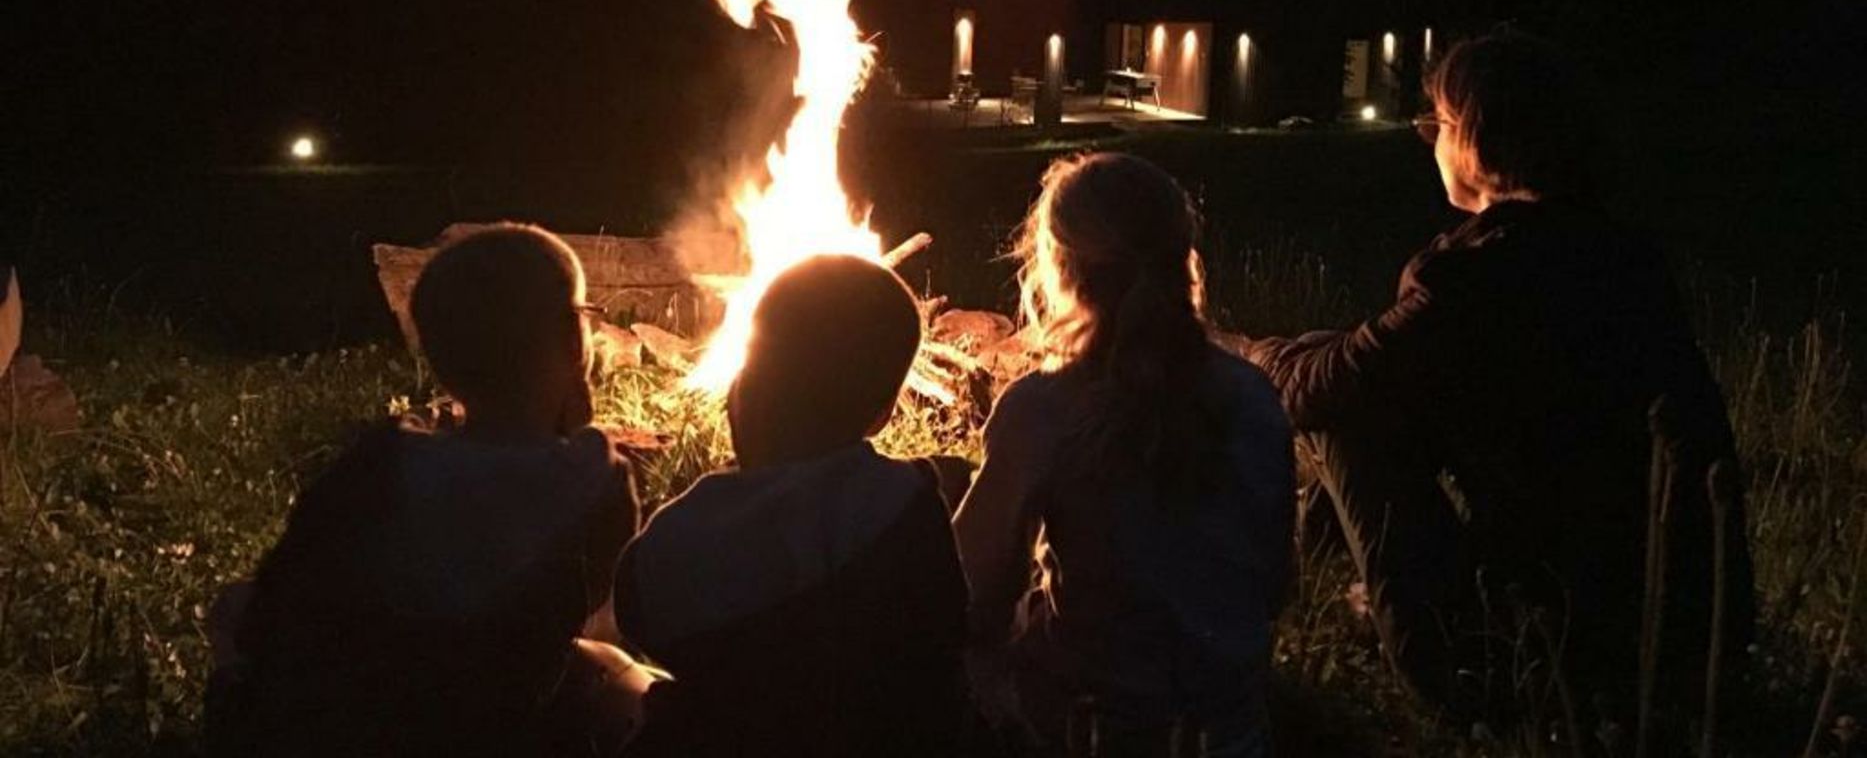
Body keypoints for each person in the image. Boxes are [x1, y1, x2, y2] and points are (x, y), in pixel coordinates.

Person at [1243, 29, 1755, 727]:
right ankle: (1348, 579)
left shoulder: (1475, 278)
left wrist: (1251, 354)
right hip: (1696, 651)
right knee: (1364, 375)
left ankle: (1390, 617)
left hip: (1533, 666)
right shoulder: (1621, 258)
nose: (1431, 142)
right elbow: (1378, 359)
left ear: (1480, 137)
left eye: (1439, 124)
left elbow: (1314, 393)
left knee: (1346, 411)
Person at [210, 223, 649, 758]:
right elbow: (615, 601)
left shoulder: (379, 463)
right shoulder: (597, 479)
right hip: (494, 722)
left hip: (340, 717)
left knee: (234, 604)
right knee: (625, 674)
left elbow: (283, 588)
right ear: (573, 340)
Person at [955, 152, 1294, 758]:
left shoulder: (1043, 410)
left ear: (1057, 268)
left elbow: (967, 591)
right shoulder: (1254, 396)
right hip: (1234, 735)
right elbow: (1273, 586)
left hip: (1088, 735)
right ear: (1184, 259)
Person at [613, 254, 967, 758]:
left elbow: (635, 613)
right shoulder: (904, 502)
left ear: (738, 388)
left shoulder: (684, 531)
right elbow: (944, 629)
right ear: (883, 414)